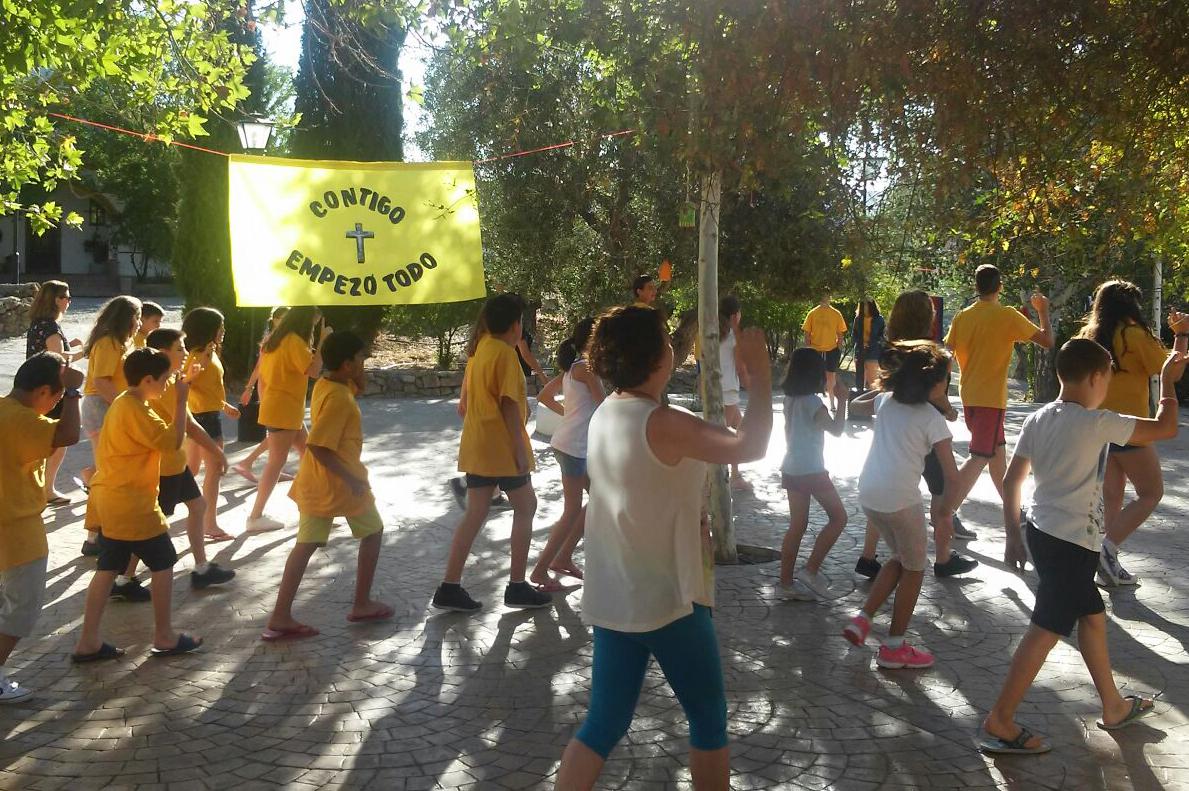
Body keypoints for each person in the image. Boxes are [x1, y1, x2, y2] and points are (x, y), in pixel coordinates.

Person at [555, 306, 773, 789]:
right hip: (670, 601)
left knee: (603, 724)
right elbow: (750, 446)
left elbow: (646, 487)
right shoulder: (664, 421)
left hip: (615, 597)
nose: (673, 346)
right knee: (709, 719)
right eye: (666, 340)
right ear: (656, 357)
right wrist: (759, 375)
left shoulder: (605, 412)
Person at [978, 339, 1184, 755]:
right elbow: (1165, 428)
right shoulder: (1098, 422)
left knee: (1091, 615)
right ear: (1096, 377)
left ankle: (1113, 707)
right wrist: (1167, 382)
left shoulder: (1038, 418)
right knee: (1045, 630)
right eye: (1108, 378)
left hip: (1042, 533)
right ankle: (999, 720)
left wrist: (1014, 532)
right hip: (1072, 543)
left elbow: (1013, 479)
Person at [71, 348, 203, 662]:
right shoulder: (136, 409)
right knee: (163, 559)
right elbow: (171, 442)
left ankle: (88, 640)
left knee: (108, 566)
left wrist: (179, 388)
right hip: (132, 502)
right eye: (165, 380)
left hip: (115, 498)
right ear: (147, 379)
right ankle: (164, 635)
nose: (168, 385)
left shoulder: (126, 402)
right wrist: (183, 399)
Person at [262, 331, 392, 640]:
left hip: (317, 482)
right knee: (373, 532)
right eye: (360, 359)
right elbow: (319, 446)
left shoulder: (326, 384)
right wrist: (352, 479)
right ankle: (361, 603)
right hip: (339, 484)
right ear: (347, 364)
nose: (364, 364)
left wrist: (355, 380)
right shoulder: (339, 397)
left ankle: (281, 615)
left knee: (306, 545)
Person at [432, 293, 552, 613]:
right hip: (501, 449)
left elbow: (467, 403)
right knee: (527, 506)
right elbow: (510, 407)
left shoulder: (481, 349)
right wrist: (519, 451)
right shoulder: (504, 355)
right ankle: (516, 585)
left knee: (475, 512)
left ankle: (449, 586)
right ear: (516, 325)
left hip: (479, 446)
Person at [843, 341, 960, 670]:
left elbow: (864, 403)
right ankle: (894, 646)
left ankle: (863, 620)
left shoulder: (885, 401)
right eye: (946, 380)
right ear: (935, 384)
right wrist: (946, 514)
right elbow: (951, 477)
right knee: (916, 567)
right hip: (900, 501)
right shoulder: (932, 420)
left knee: (901, 558)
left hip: (869, 495)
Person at [855, 290, 977, 579]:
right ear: (927, 316)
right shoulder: (933, 353)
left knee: (887, 493)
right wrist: (949, 411)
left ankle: (867, 556)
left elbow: (886, 390)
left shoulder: (889, 351)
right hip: (928, 433)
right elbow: (936, 394)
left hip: (895, 430)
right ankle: (944, 557)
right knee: (940, 493)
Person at [1076, 280, 1189, 586]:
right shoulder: (1134, 335)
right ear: (1132, 305)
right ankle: (1107, 550)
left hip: (1097, 427)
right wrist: (1181, 334)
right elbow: (1172, 371)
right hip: (1130, 427)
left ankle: (1107, 562)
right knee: (1151, 493)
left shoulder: (1090, 335)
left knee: (1113, 497)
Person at [0, 353, 83, 701]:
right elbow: (68, 433)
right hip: (17, 531)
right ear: (45, 391)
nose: (57, 405)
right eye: (58, 398)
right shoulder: (24, 422)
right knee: (23, 607)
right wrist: (76, 392)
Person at [944, 264, 1053, 517]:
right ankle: (945, 513)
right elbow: (1048, 342)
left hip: (970, 396)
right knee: (979, 457)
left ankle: (1015, 512)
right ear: (1000, 287)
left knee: (997, 461)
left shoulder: (962, 316)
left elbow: (947, 353)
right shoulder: (1007, 315)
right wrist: (1043, 312)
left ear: (976, 287)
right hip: (990, 400)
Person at [144, 328, 236, 589]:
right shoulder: (170, 386)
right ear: (163, 353)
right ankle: (122, 578)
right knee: (150, 525)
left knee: (197, 507)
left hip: (174, 462)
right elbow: (191, 427)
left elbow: (190, 423)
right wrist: (218, 452)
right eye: (180, 349)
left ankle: (202, 567)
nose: (185, 353)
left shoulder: (172, 381)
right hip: (165, 466)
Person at [529, 318, 603, 590]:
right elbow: (606, 406)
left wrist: (568, 414)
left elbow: (544, 396)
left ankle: (562, 558)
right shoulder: (585, 368)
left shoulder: (574, 369)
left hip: (570, 444)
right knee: (572, 509)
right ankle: (540, 570)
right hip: (574, 448)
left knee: (599, 499)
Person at [246, 307, 330, 533]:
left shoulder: (278, 338)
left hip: (284, 408)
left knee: (309, 455)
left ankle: (312, 505)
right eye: (314, 321)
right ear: (305, 320)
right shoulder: (293, 341)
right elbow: (313, 371)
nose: (314, 325)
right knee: (276, 462)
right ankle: (255, 516)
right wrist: (322, 341)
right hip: (283, 409)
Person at [778, 347, 849, 601]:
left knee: (797, 525)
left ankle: (785, 583)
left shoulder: (790, 400)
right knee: (839, 517)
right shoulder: (813, 403)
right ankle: (810, 570)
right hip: (811, 469)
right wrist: (842, 401)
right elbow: (838, 430)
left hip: (792, 466)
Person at [78, 295, 142, 556]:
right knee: (108, 473)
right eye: (137, 316)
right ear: (126, 318)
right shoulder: (108, 343)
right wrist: (125, 407)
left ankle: (96, 536)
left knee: (108, 469)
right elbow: (102, 381)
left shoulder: (121, 342)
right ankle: (96, 536)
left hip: (108, 407)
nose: (139, 322)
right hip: (101, 408)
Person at [181, 308, 240, 542]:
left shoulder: (210, 351)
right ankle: (210, 524)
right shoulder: (196, 354)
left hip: (208, 414)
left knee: (190, 471)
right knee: (214, 471)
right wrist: (200, 365)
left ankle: (157, 506)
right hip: (202, 418)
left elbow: (210, 388)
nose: (223, 331)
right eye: (220, 327)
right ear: (208, 329)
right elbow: (184, 383)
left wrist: (225, 406)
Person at [25, 280, 83, 504]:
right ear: (55, 300)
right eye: (66, 297)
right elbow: (58, 359)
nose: (69, 301)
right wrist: (84, 350)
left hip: (36, 387)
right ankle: (47, 489)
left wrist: (71, 346)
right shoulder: (50, 326)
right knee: (56, 442)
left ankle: (40, 488)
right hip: (50, 390)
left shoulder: (39, 323)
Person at [235, 306, 291, 484]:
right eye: (281, 318)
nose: (284, 321)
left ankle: (272, 467)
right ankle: (248, 463)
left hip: (282, 390)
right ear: (274, 320)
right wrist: (249, 388)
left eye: (288, 318)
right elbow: (259, 366)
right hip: (271, 388)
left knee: (283, 431)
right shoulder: (271, 340)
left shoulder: (289, 339)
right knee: (282, 430)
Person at [719, 295, 752, 490]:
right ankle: (717, 477)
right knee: (724, 435)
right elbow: (741, 367)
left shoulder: (713, 334)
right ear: (735, 315)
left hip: (717, 386)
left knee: (740, 429)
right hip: (728, 387)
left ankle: (735, 473)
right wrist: (753, 387)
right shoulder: (732, 337)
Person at [801, 289, 848, 410]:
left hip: (831, 349)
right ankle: (809, 403)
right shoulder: (812, 313)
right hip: (815, 349)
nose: (825, 298)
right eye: (822, 295)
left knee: (831, 377)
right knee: (813, 375)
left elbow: (840, 334)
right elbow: (807, 333)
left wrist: (838, 349)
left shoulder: (836, 314)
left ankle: (832, 404)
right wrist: (808, 349)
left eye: (827, 295)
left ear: (830, 297)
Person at [851, 299, 885, 390]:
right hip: (859, 351)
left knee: (873, 380)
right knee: (860, 380)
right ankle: (860, 398)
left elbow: (882, 337)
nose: (865, 307)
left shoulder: (879, 319)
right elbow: (854, 335)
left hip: (873, 352)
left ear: (872, 306)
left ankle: (873, 401)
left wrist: (872, 344)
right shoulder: (858, 319)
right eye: (863, 305)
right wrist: (859, 344)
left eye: (867, 305)